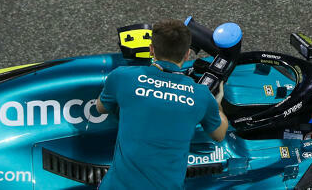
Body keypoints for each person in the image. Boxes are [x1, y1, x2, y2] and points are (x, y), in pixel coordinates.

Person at [96, 19, 228, 189]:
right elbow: (219, 134)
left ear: (151, 49)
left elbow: (100, 107)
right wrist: (217, 105)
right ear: (187, 54)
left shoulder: (122, 76)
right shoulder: (201, 95)